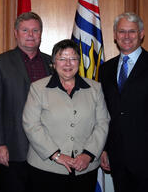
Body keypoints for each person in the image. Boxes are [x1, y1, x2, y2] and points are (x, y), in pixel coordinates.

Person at [99, 12, 148, 192]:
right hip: (117, 155)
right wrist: (103, 148)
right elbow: (103, 112)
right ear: (114, 35)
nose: (126, 36)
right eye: (121, 32)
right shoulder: (105, 69)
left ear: (141, 34)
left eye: (132, 32)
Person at [22, 39, 110, 192]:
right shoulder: (38, 88)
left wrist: (88, 155)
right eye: (62, 59)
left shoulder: (95, 89)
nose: (68, 64)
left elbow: (102, 123)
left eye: (73, 58)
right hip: (46, 168)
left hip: (84, 167)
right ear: (54, 63)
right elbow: (31, 125)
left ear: (79, 62)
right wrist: (56, 156)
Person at [0, 12, 53, 192]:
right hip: (13, 149)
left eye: (35, 30)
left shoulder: (52, 63)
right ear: (16, 33)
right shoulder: (0, 63)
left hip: (47, 150)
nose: (30, 35)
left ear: (41, 34)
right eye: (25, 30)